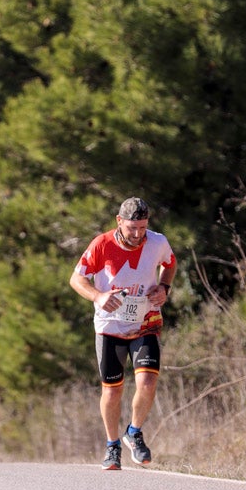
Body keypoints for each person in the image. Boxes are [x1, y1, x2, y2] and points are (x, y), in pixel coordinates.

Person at [70, 196, 176, 471]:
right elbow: (76, 279)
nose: (138, 234)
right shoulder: (101, 244)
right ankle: (112, 445)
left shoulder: (157, 242)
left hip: (146, 321)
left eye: (142, 227)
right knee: (113, 391)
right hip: (110, 327)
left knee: (148, 383)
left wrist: (164, 288)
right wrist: (98, 296)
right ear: (119, 222)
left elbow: (170, 263)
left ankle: (134, 432)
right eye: (132, 228)